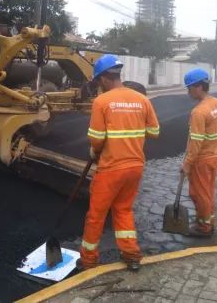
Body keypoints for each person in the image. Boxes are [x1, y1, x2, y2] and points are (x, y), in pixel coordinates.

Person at [78, 54, 160, 272]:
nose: (99, 86)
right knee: (123, 210)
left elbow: (96, 138)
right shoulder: (142, 100)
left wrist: (95, 151)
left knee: (96, 216)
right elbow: (154, 132)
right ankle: (132, 255)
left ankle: (88, 261)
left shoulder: (102, 101)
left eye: (98, 82)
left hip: (111, 168)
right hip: (135, 166)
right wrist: (131, 133)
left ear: (105, 78)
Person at [181, 68, 217, 237]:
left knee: (198, 194)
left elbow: (196, 142)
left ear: (198, 87)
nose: (188, 91)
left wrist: (187, 163)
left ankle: (204, 228)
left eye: (189, 87)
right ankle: (208, 221)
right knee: (208, 192)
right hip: (215, 155)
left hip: (202, 159)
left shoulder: (199, 112)